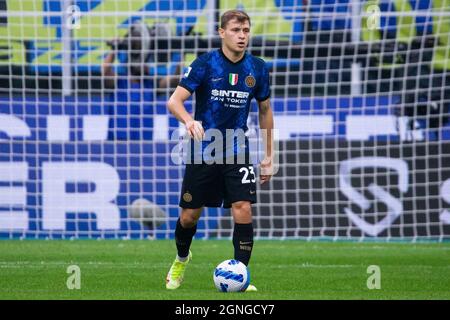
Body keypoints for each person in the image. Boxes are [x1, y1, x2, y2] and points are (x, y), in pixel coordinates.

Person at [165, 9, 274, 292]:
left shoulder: (258, 68)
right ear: (222, 32)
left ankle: (241, 273)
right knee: (189, 215)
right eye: (236, 30)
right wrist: (189, 120)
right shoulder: (205, 64)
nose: (242, 36)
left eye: (246, 30)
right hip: (204, 149)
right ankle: (181, 259)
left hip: (238, 149)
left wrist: (269, 154)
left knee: (243, 209)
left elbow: (264, 110)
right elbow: (174, 101)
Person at [102, 20, 181, 140]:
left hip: (143, 147)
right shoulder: (118, 82)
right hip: (116, 145)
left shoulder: (151, 84)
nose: (142, 65)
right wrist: (114, 49)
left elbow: (174, 81)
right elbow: (105, 71)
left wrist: (180, 52)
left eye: (145, 62)